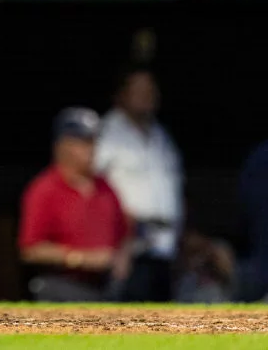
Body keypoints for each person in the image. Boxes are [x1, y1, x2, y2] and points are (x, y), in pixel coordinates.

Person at [18, 108, 131, 302]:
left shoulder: (105, 186)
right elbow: (30, 250)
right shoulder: (45, 189)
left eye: (94, 141)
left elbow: (126, 229)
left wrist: (122, 258)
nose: (92, 149)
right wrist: (80, 258)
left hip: (106, 288)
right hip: (61, 286)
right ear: (63, 145)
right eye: (84, 142)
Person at [95, 66, 183, 302]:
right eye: (139, 89)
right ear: (121, 95)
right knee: (131, 320)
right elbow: (89, 188)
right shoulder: (106, 132)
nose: (147, 94)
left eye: (151, 89)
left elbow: (174, 190)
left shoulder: (161, 136)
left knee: (163, 322)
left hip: (165, 244)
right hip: (129, 245)